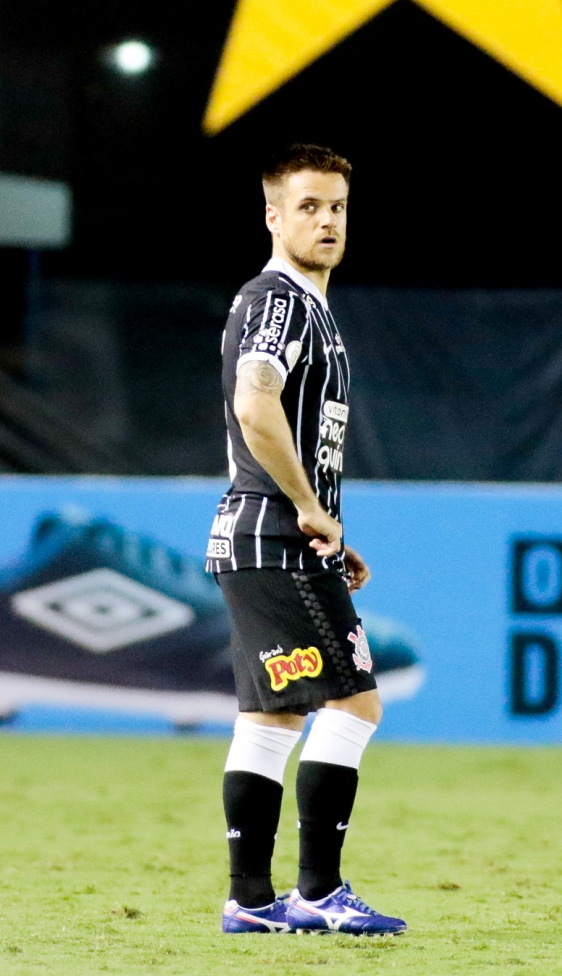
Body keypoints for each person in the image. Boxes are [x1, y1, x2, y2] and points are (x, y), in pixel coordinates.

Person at [206, 143, 406, 936]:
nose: (326, 221)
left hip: (260, 539)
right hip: (273, 536)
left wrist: (322, 516)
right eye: (309, 207)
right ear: (272, 215)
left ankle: (252, 902)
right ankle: (318, 893)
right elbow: (256, 407)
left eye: (337, 208)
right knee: (355, 703)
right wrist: (307, 508)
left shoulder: (299, 306)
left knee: (270, 722)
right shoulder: (280, 300)